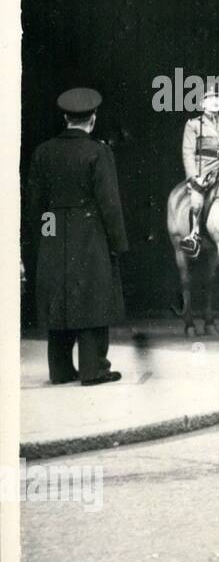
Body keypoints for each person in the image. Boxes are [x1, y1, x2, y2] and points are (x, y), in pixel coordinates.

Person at [25, 87, 129, 385]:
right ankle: (93, 368)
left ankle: (60, 370)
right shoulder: (98, 151)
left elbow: (35, 204)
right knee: (93, 296)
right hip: (90, 232)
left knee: (58, 298)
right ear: (92, 119)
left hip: (54, 231)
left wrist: (47, 236)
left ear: (65, 117)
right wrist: (117, 243)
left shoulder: (43, 151)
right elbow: (109, 204)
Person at [180, 81, 219, 256]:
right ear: (202, 104)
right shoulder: (193, 125)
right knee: (197, 201)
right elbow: (188, 153)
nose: (214, 101)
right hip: (204, 172)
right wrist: (194, 177)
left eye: (217, 98)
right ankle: (195, 235)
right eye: (209, 98)